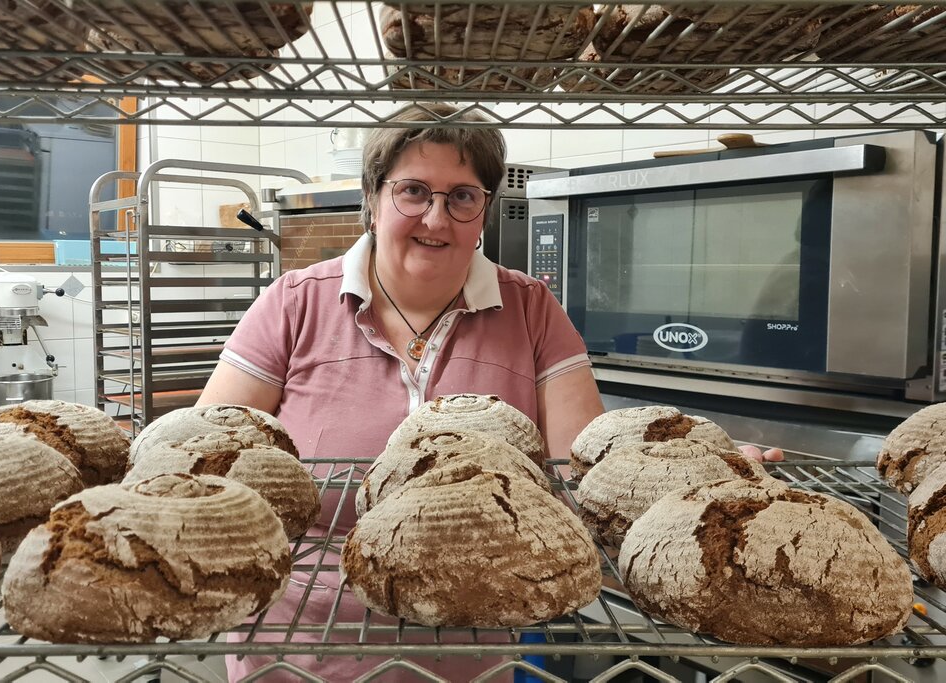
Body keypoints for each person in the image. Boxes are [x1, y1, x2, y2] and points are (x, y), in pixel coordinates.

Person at [199, 103, 781, 682]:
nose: (436, 218)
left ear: (484, 212)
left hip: (468, 651)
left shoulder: (531, 310)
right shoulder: (294, 302)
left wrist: (703, 480)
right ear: (373, 200)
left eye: (462, 196)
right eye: (414, 192)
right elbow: (209, 459)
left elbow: (586, 470)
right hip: (297, 648)